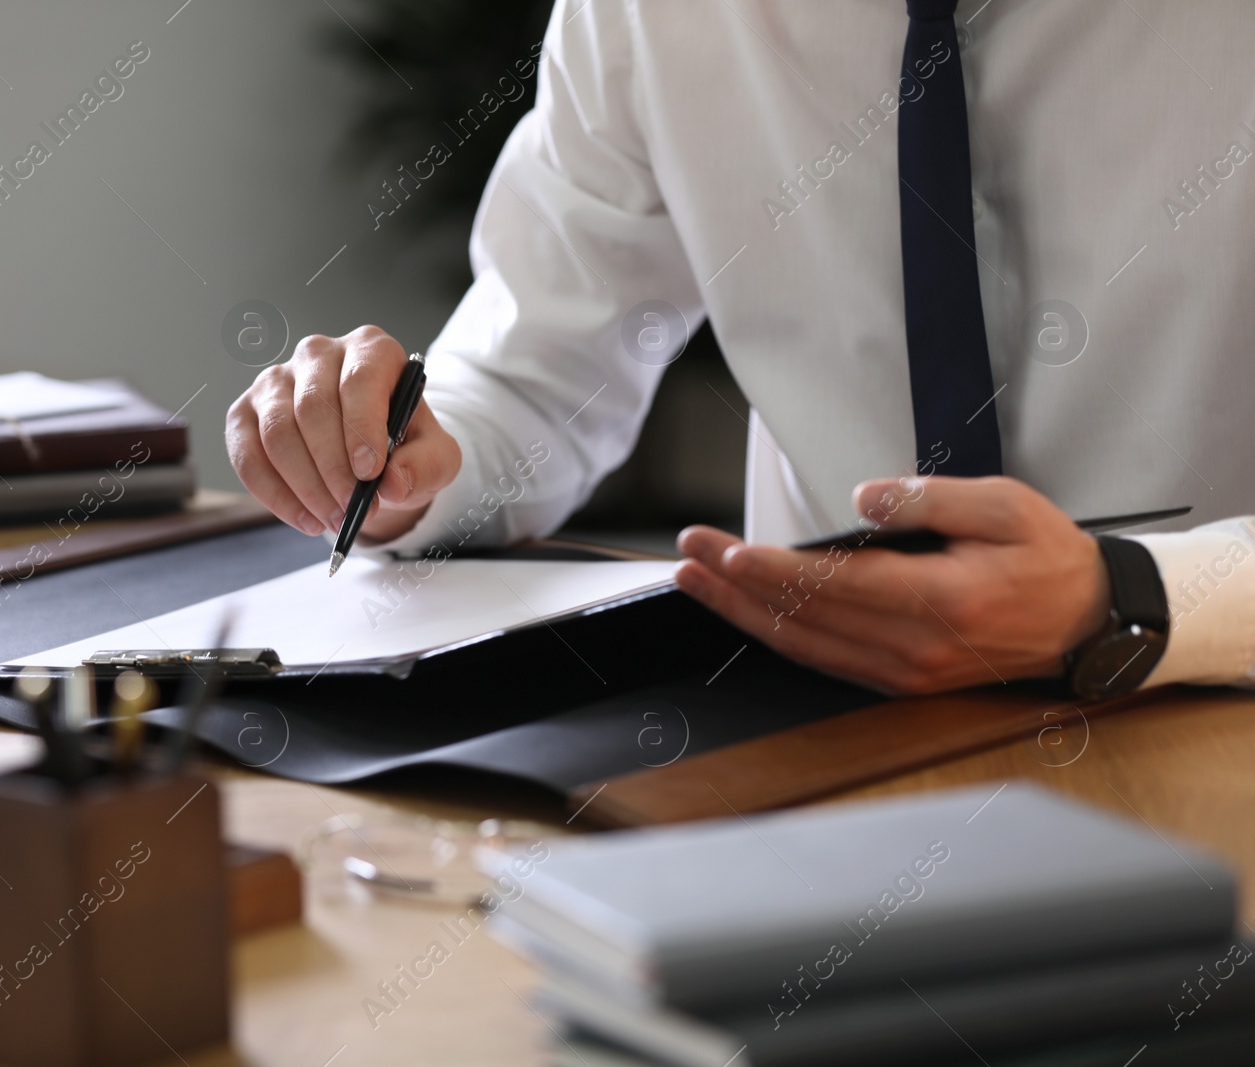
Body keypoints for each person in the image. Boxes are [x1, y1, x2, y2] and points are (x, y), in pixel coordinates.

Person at [226, 0, 1255, 697]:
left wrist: (1126, 596)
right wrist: (406, 458)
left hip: (1211, 711)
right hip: (820, 736)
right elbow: (533, 372)